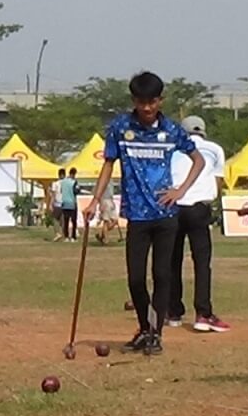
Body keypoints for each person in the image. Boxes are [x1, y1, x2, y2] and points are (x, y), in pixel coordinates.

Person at [83, 72, 206, 355]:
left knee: (162, 275)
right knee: (135, 279)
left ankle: (155, 334)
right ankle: (144, 326)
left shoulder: (172, 130)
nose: (147, 108)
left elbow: (197, 160)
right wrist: (94, 200)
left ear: (160, 100)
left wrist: (180, 191)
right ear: (134, 101)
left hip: (165, 215)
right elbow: (108, 165)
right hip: (136, 215)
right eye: (141, 102)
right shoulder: (120, 127)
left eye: (152, 102)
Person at [167, 115, 229, 332]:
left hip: (174, 205)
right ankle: (203, 313)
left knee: (172, 261)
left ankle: (173, 312)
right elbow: (218, 183)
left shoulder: (173, 148)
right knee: (202, 262)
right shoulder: (214, 149)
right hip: (198, 208)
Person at [58, 168, 80, 242]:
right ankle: (73, 237)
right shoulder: (74, 182)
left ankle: (66, 237)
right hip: (72, 203)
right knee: (74, 221)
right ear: (73, 174)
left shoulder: (63, 182)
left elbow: (61, 191)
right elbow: (76, 191)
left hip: (64, 203)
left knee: (66, 221)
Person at [50, 169, 67, 241]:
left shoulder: (56, 183)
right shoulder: (67, 183)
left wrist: (51, 204)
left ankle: (57, 233)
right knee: (63, 220)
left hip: (58, 203)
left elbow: (53, 195)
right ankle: (65, 235)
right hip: (65, 203)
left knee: (55, 219)